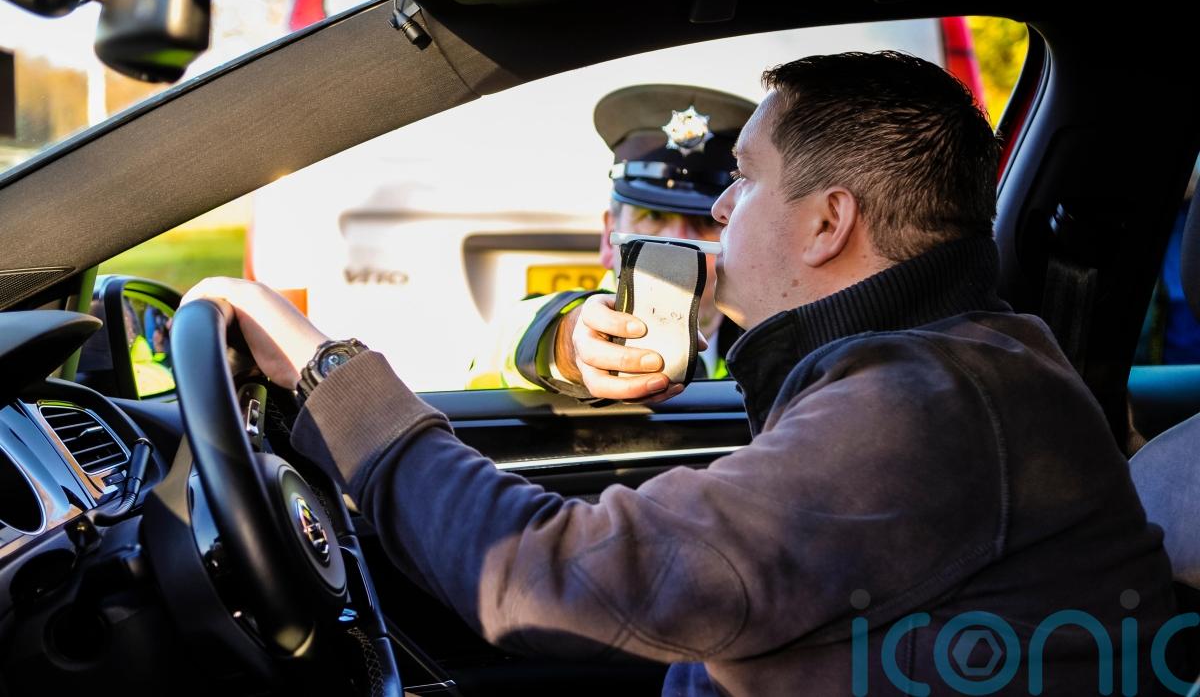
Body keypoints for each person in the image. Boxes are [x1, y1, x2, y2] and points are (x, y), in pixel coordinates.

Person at [184, 51, 1175, 695]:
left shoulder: (921, 407)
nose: (717, 211)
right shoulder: (960, 361)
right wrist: (564, 340)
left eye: (743, 178)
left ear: (828, 222)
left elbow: (542, 575)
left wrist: (329, 372)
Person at [466, 84, 753, 399]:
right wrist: (564, 346)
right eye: (653, 217)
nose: (677, 244)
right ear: (608, 236)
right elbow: (507, 343)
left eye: (706, 222)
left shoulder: (769, 350)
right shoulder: (535, 325)